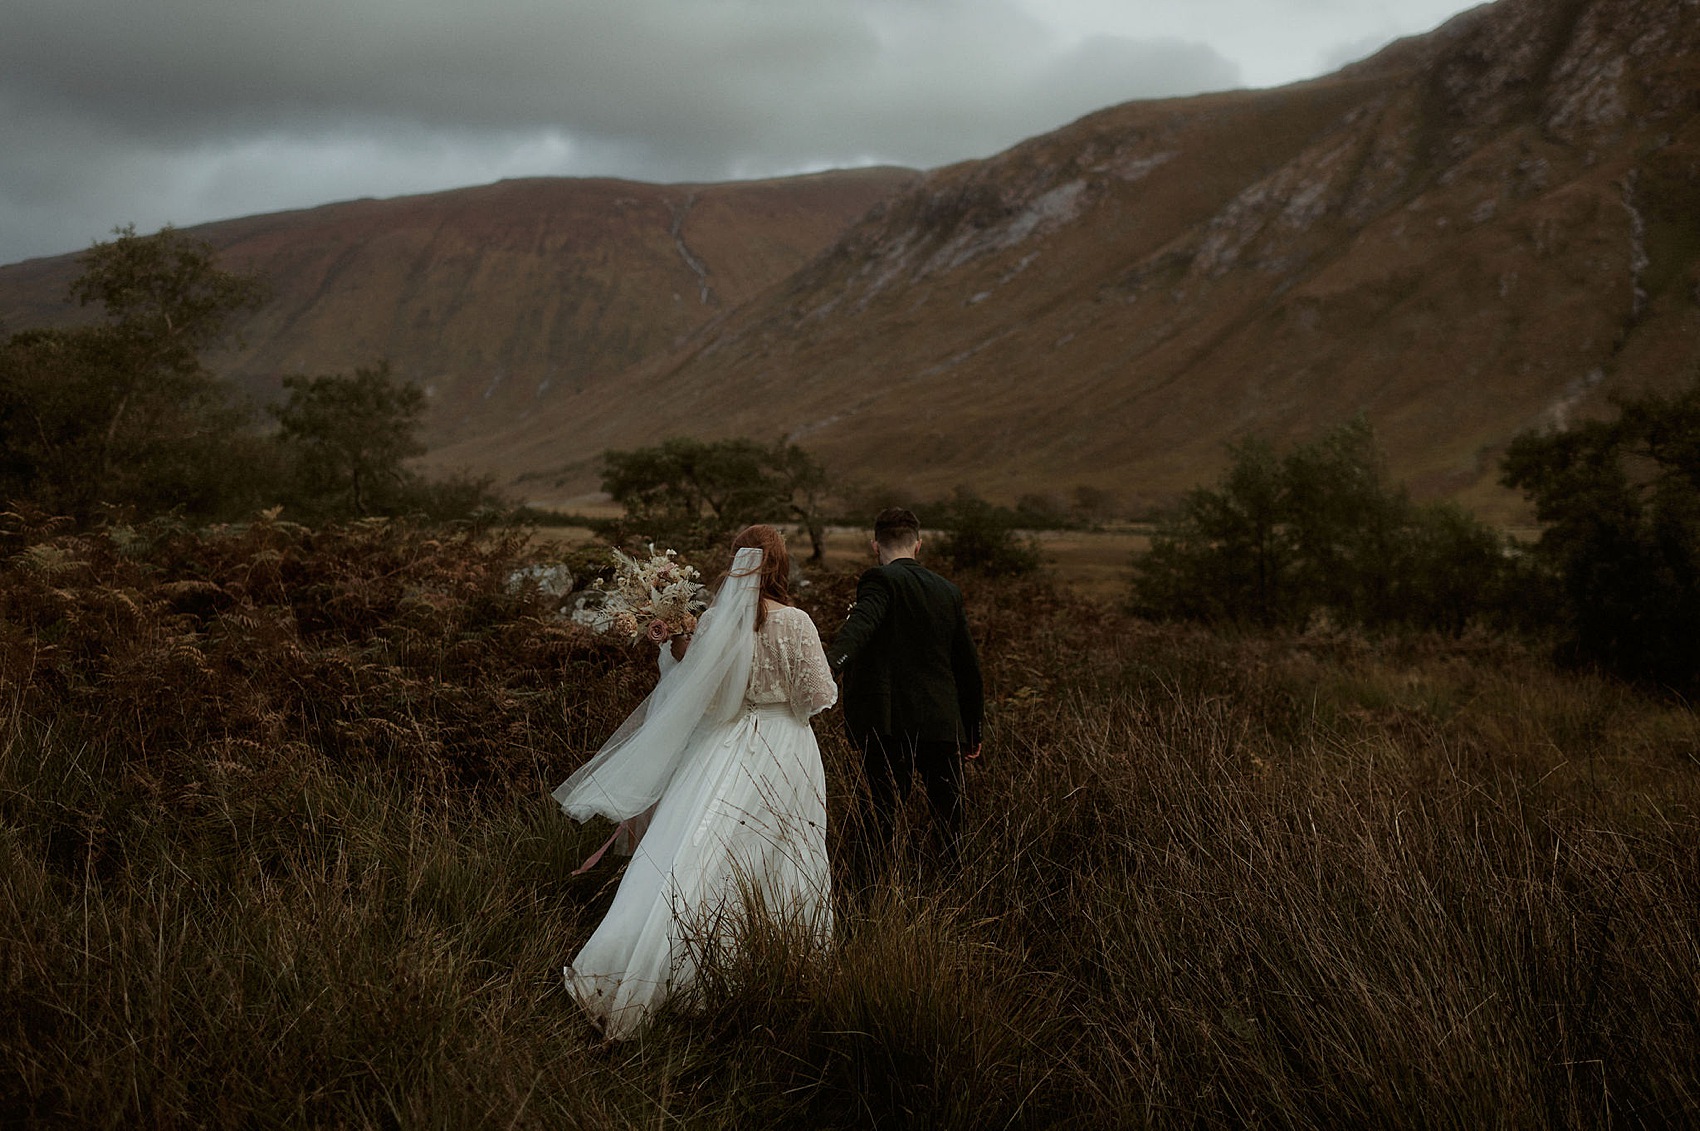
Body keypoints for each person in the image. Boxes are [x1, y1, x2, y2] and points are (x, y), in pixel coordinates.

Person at [552, 525, 838, 1039]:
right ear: (780, 564)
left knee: (695, 850)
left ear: (737, 563)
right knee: (780, 852)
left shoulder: (714, 622)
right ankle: (770, 971)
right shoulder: (795, 622)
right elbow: (815, 697)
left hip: (720, 746)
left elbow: (698, 692)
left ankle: (662, 965)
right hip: (784, 745)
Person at [828, 507, 983, 871]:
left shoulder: (879, 581)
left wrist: (829, 666)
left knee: (879, 819)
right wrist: (973, 728)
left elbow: (860, 628)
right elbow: (969, 667)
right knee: (950, 822)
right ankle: (952, 898)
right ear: (919, 545)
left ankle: (868, 897)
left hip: (889, 726)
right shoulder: (949, 591)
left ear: (874, 545)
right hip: (943, 725)